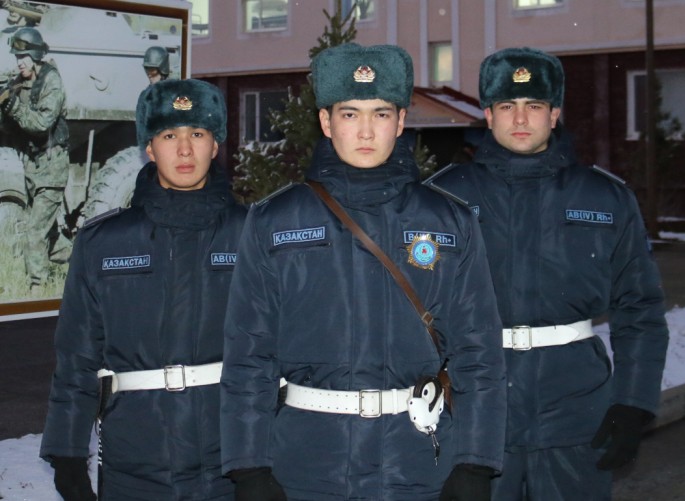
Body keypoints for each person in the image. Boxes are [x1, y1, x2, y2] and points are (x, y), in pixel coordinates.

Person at [220, 43, 506, 501]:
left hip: (417, 459)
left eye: (381, 113)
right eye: (350, 114)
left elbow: (479, 352)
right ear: (326, 122)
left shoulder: (449, 220)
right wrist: (248, 465)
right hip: (308, 461)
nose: (367, 130)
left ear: (401, 121)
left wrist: (476, 461)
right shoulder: (275, 220)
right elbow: (248, 355)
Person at [425, 47, 669, 500]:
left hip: (575, 409)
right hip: (474, 411)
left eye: (534, 105)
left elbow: (640, 307)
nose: (521, 119)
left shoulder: (604, 197)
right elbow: (406, 310)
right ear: (488, 114)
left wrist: (634, 401)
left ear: (554, 114)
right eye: (507, 106)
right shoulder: (440, 198)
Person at [40, 79, 247, 500]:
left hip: (232, 466)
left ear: (215, 145)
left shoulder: (253, 235)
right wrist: (66, 454)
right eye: (169, 136)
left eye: (198, 134)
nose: (184, 150)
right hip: (134, 463)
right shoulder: (103, 242)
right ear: (149, 147)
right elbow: (77, 356)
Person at [0, 26, 70, 291]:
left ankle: (36, 289)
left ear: (36, 56)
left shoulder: (52, 81)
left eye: (23, 57)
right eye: (17, 57)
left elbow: (41, 124)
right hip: (32, 167)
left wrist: (14, 107)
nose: (19, 63)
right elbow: (10, 128)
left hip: (52, 167)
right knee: (49, 237)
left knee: (34, 231)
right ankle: (83, 261)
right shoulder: (19, 82)